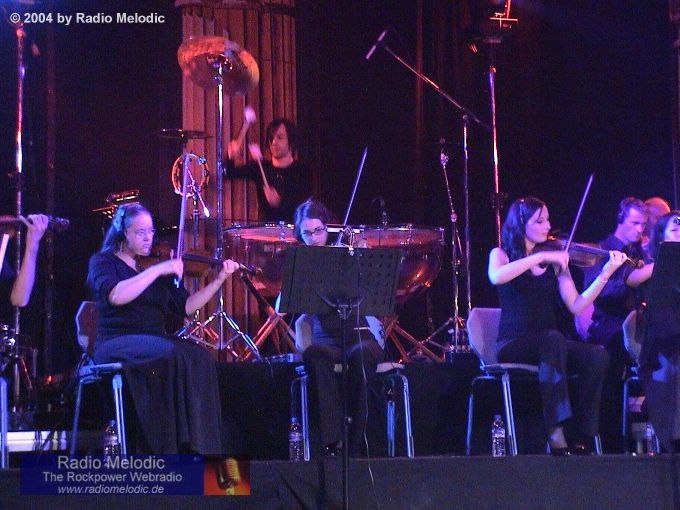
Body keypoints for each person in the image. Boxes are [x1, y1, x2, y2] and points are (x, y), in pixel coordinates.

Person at [86, 203, 239, 454]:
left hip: (152, 340)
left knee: (200, 356)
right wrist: (159, 269)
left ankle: (202, 448)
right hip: (116, 341)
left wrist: (219, 279)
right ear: (123, 233)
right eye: (140, 232)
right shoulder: (103, 262)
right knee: (171, 354)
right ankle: (167, 448)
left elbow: (187, 307)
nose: (148, 238)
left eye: (151, 231)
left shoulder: (153, 268)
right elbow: (116, 295)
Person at [488, 196, 626, 454]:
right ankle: (554, 431)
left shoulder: (555, 263)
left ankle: (584, 432)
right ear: (521, 224)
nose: (548, 226)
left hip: (552, 345)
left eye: (548, 220)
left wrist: (605, 273)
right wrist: (539, 257)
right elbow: (496, 276)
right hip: (513, 343)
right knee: (553, 339)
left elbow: (576, 304)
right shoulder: (501, 255)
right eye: (540, 221)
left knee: (596, 356)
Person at [293, 199, 385, 457]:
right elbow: (286, 304)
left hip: (359, 336)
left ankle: (361, 441)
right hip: (326, 341)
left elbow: (374, 288)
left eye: (318, 231)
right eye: (307, 233)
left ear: (328, 228)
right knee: (315, 355)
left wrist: (363, 259)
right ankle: (333, 442)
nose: (313, 238)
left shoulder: (345, 254)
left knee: (363, 355)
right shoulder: (301, 264)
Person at [582, 196, 647, 450]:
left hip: (634, 326)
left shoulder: (638, 253)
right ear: (620, 220)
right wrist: (632, 277)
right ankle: (610, 440)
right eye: (634, 223)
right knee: (616, 355)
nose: (639, 230)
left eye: (643, 225)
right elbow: (601, 292)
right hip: (608, 326)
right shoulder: (602, 250)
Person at [627, 210, 680, 451]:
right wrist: (666, 262)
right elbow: (632, 279)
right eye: (675, 229)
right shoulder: (651, 264)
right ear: (661, 237)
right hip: (659, 337)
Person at [225, 118, 311, 223]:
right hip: (264, 230)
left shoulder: (302, 171)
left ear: (291, 141)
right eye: (271, 138)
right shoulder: (260, 167)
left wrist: (280, 203)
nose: (274, 142)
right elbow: (227, 173)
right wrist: (230, 157)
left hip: (293, 230)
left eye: (280, 137)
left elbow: (304, 209)